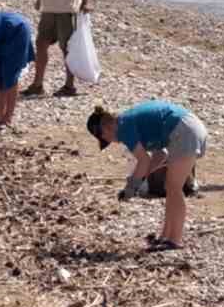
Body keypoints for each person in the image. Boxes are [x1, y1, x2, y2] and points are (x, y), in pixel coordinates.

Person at [87, 101, 208, 251]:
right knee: (170, 187)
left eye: (105, 138)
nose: (111, 142)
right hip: (190, 126)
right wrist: (141, 178)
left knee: (174, 187)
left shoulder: (124, 127)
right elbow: (160, 155)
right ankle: (165, 237)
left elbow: (143, 160)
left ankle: (175, 240)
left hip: (184, 131)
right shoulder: (130, 122)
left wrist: (131, 187)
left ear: (106, 128)